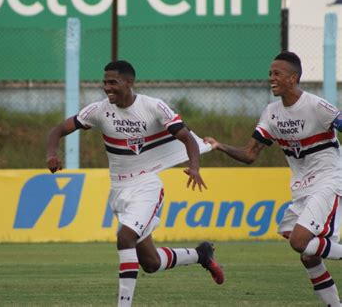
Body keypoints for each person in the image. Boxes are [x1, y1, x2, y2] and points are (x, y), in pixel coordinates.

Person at [46, 60, 224, 306]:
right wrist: (51, 154)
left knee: (125, 238)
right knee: (150, 263)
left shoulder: (153, 107)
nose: (107, 87)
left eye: (113, 82)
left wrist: (193, 167)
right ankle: (200, 255)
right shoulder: (99, 110)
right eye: (105, 82)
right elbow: (58, 130)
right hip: (118, 190)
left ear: (129, 83)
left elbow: (187, 138)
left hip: (146, 185)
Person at [205, 51, 342, 306]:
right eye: (270, 73)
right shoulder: (271, 113)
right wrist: (219, 145)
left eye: (277, 73)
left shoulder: (316, 106)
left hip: (329, 179)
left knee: (301, 242)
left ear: (294, 78)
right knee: (308, 254)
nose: (271, 78)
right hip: (302, 187)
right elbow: (249, 154)